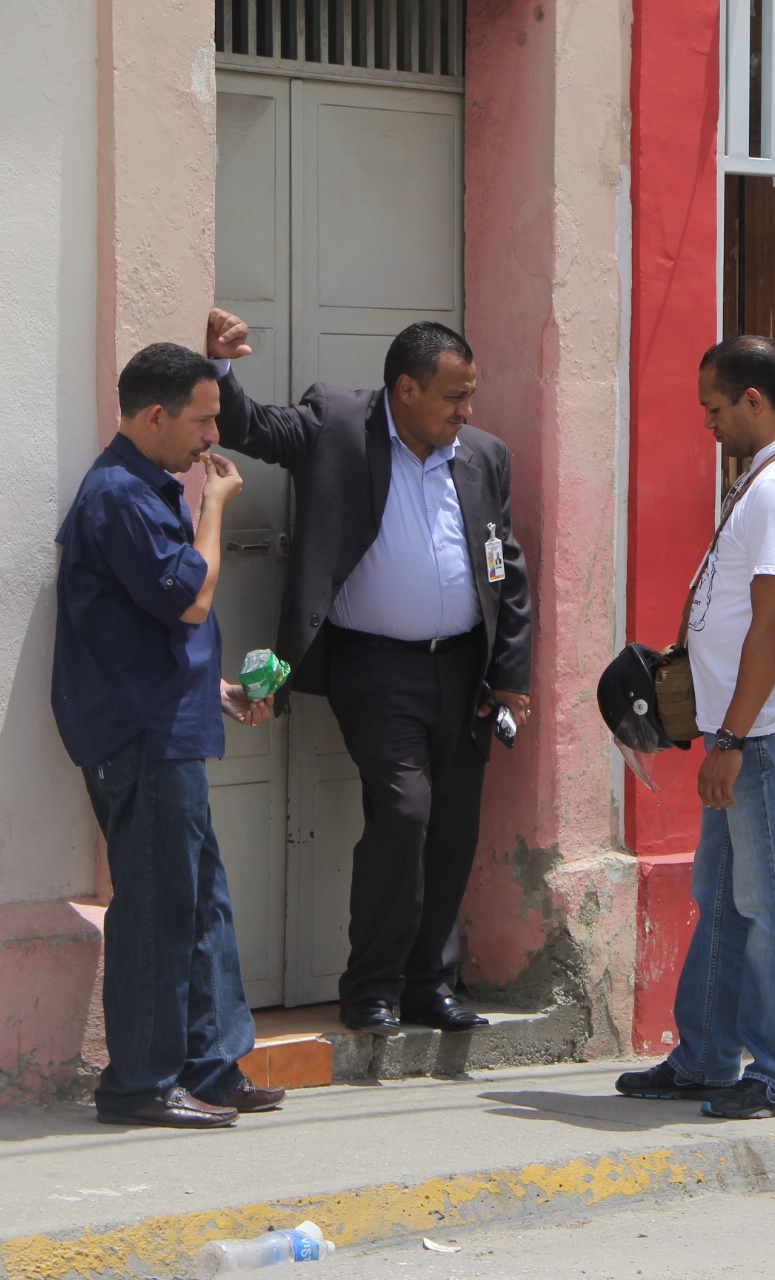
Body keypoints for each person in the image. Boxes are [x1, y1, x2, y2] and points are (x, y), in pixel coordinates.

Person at [202, 308, 531, 1036]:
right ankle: (371, 988)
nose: (466, 411)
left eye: (470, 395)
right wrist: (221, 368)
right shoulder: (338, 424)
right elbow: (251, 427)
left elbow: (507, 566)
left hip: (464, 673)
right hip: (376, 669)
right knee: (404, 815)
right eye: (453, 397)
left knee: (451, 828)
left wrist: (509, 673)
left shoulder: (483, 455)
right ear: (406, 390)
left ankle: (429, 984)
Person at [52, 342, 283, 1128]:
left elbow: (145, 626)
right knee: (157, 906)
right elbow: (188, 597)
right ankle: (141, 1085)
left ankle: (214, 1067)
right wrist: (215, 509)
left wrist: (214, 689)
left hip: (168, 721)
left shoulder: (143, 487)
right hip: (139, 734)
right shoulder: (119, 493)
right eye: (203, 419)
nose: (212, 438)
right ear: (156, 416)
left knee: (200, 900)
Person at [616, 336, 775, 1120]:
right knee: (723, 896)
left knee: (772, 903)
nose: (708, 424)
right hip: (756, 726)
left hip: (768, 732)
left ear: (753, 400)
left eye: (715, 409)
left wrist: (732, 739)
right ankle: (707, 1058)